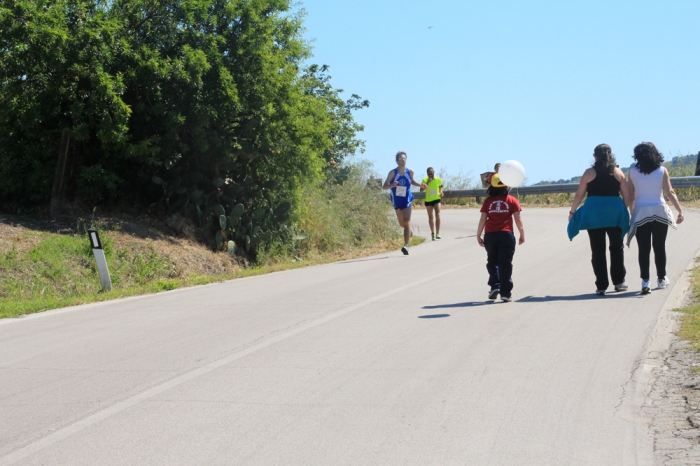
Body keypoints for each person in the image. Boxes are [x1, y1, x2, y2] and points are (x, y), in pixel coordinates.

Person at [567, 144, 631, 296]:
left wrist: (572, 211)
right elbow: (627, 195)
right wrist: (622, 208)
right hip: (614, 213)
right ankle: (619, 281)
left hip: (593, 213)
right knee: (617, 247)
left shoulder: (589, 172)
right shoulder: (618, 172)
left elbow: (579, 195)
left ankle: (601, 285)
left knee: (597, 250)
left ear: (595, 156)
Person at [626, 142, 684, 294]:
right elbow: (669, 192)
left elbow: (631, 196)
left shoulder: (632, 172)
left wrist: (633, 213)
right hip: (659, 211)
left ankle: (645, 282)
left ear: (637, 155)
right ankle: (661, 278)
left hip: (641, 212)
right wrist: (679, 210)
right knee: (659, 247)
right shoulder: (662, 170)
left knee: (643, 249)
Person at [476, 173, 525, 302]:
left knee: (492, 261)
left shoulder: (488, 201)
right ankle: (505, 293)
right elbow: (518, 219)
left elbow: (482, 219)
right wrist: (522, 234)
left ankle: (495, 285)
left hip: (490, 235)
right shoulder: (512, 200)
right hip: (506, 235)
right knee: (505, 263)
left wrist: (479, 234)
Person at [383, 151, 427, 255]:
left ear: (406, 160)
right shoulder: (392, 173)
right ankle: (409, 231)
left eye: (404, 158)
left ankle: (406, 246)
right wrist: (392, 185)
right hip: (397, 200)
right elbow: (384, 186)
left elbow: (412, 181)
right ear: (397, 161)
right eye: (400, 158)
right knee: (402, 224)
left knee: (407, 222)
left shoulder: (410, 171)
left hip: (407, 199)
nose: (402, 160)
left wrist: (421, 185)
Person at [420, 167, 444, 240]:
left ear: (434, 172)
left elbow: (441, 186)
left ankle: (438, 233)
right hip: (429, 200)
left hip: (437, 199)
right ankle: (432, 233)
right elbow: (421, 190)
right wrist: (428, 182)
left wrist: (441, 192)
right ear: (427, 173)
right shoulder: (424, 180)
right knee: (431, 217)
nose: (431, 174)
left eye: (432, 173)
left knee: (438, 214)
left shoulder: (438, 179)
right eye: (429, 173)